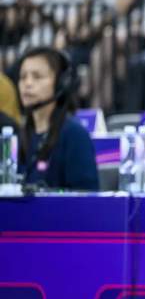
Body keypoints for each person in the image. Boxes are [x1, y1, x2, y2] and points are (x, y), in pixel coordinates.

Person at [17, 46, 98, 191]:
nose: (27, 83)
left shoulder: (74, 135)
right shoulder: (18, 134)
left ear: (61, 83)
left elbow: (86, 199)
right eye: (23, 77)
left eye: (37, 76)